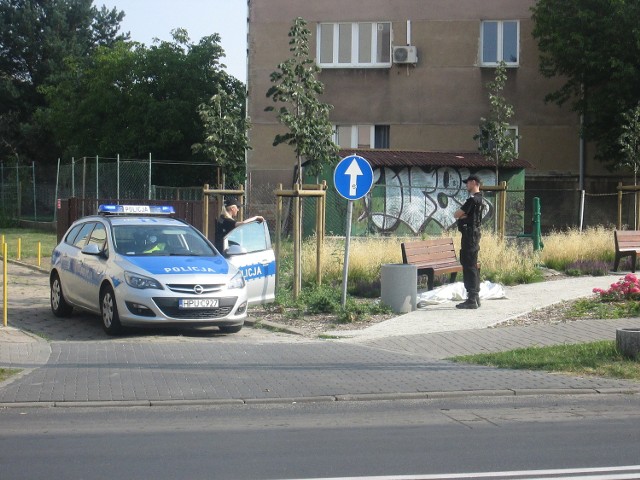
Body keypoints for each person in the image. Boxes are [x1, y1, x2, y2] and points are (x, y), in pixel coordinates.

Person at [453, 174, 484, 309]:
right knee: (472, 264)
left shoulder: (472, 200)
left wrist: (462, 216)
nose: (466, 185)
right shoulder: (481, 199)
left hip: (469, 234)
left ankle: (471, 298)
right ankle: (475, 296)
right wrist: (464, 216)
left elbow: (457, 214)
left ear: (473, 182)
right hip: (474, 234)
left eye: (467, 183)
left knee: (469, 264)